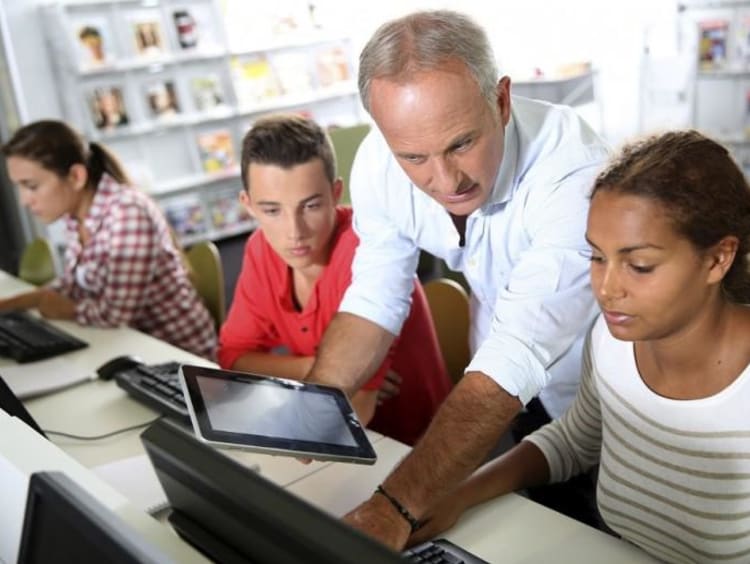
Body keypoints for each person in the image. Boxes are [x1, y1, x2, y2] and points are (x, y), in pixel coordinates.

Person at [302, 10, 611, 548]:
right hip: (508, 400)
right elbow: (374, 294)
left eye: (462, 144)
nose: (445, 180)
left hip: (598, 403)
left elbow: (517, 353)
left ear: (502, 100)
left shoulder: (574, 172)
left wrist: (395, 506)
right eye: (415, 157)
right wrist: (313, 408)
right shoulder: (380, 159)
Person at [409, 130, 750, 563]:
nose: (606, 289)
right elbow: (574, 440)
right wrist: (459, 494)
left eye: (639, 266)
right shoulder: (610, 342)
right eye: (597, 257)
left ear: (718, 259)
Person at [217, 114, 451, 446]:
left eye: (310, 206)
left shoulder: (371, 252)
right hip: (339, 435)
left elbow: (352, 409)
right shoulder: (260, 249)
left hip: (409, 446)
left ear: (336, 193)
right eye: (272, 211)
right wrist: (315, 368)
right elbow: (234, 357)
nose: (294, 232)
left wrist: (306, 377)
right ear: (248, 206)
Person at [0, 120, 216, 360]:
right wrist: (15, 303)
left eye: (31, 186)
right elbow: (74, 285)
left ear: (75, 176)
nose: (23, 201)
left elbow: (114, 315)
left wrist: (68, 309)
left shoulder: (127, 213)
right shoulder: (77, 217)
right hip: (127, 348)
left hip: (177, 357)